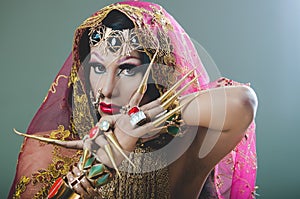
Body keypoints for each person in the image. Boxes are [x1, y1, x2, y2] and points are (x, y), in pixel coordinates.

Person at [9, 1, 258, 198]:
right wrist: (78, 185)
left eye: (127, 69)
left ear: (157, 74)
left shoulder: (182, 148)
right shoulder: (57, 148)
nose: (106, 89)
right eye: (97, 68)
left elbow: (243, 103)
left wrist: (135, 123)